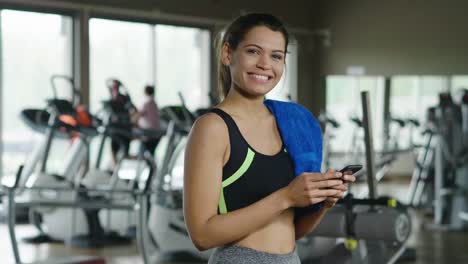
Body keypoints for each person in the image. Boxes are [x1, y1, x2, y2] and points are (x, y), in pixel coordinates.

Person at [183, 13, 356, 264]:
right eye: (253, 51)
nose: (266, 64)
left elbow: (293, 231)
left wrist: (324, 201)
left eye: (276, 56)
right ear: (227, 54)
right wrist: (286, 196)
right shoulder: (213, 128)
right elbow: (202, 235)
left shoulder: (290, 124)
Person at [132, 85, 162, 156]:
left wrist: (131, 118)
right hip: (157, 133)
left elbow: (137, 115)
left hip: (149, 133)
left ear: (145, 92)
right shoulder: (154, 103)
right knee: (150, 153)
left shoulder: (146, 103)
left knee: (142, 153)